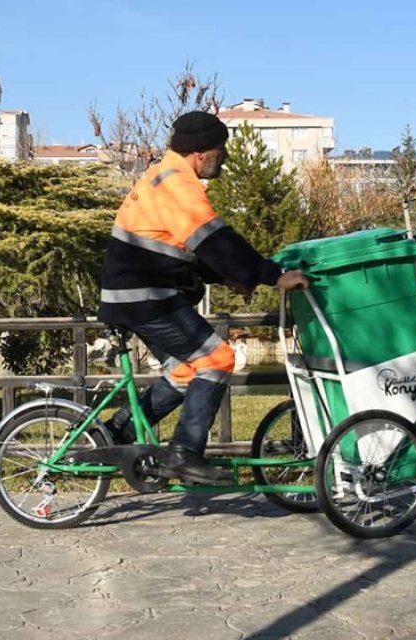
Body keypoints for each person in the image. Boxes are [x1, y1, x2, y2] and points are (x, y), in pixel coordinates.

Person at [98, 111, 309, 484]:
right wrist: (274, 276)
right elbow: (216, 240)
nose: (224, 156)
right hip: (147, 296)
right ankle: (184, 454)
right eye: (221, 149)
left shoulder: (163, 176)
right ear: (200, 152)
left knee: (184, 370)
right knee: (217, 358)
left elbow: (184, 249)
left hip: (134, 295)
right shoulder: (177, 185)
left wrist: (230, 277)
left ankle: (115, 434)